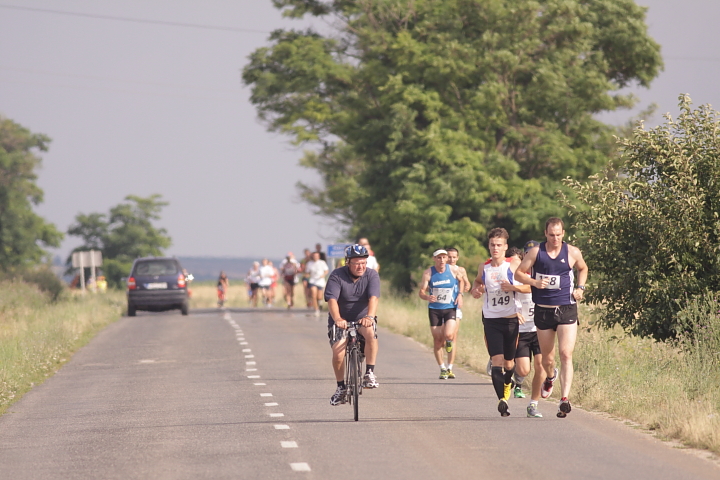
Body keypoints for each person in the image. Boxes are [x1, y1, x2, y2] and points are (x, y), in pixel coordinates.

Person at [514, 218, 589, 418]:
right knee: (548, 359)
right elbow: (518, 274)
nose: (555, 238)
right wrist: (534, 282)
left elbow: (583, 268)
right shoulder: (536, 252)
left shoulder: (572, 252)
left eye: (558, 234)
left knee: (566, 354)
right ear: (545, 234)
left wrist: (580, 288)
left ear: (563, 233)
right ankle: (550, 376)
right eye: (551, 234)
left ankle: (564, 400)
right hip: (543, 311)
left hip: (566, 308)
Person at [471, 228, 524, 417]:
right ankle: (502, 401)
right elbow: (476, 283)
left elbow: (528, 286)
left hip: (511, 320)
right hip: (491, 320)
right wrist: (476, 290)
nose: (495, 248)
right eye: (492, 245)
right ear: (489, 246)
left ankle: (508, 382)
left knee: (509, 364)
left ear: (505, 247)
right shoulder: (483, 267)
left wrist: (513, 287)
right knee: (497, 361)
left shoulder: (514, 264)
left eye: (499, 245)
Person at [325, 244, 381, 405]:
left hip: (363, 318)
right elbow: (332, 300)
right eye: (356, 263)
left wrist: (369, 316)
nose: (360, 266)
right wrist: (337, 319)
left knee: (370, 332)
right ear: (347, 262)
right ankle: (341, 387)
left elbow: (374, 298)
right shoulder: (337, 275)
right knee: (338, 354)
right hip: (341, 319)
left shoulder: (371, 275)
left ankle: (369, 373)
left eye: (363, 262)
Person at [509, 242, 546, 418]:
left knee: (542, 366)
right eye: (527, 252)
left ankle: (533, 404)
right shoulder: (518, 274)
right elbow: (511, 292)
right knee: (524, 370)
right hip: (522, 330)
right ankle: (516, 378)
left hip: (540, 329)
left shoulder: (545, 273)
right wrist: (514, 312)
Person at [419, 249, 461, 380]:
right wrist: (427, 297)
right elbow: (421, 291)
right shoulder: (428, 273)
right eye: (439, 258)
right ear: (434, 259)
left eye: (444, 257)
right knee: (437, 341)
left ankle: (449, 342)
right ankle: (442, 368)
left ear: (447, 258)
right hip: (435, 309)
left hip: (450, 308)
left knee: (449, 334)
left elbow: (462, 281)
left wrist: (460, 295)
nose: (442, 260)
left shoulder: (453, 270)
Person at [446, 247, 471, 360]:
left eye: (454, 257)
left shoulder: (461, 270)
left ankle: (450, 366)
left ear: (457, 258)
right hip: (441, 306)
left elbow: (468, 284)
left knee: (453, 335)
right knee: (444, 335)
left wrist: (464, 287)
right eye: (449, 257)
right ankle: (446, 341)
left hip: (455, 306)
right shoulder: (441, 270)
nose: (452, 259)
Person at [305, 251, 329, 315]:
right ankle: (316, 309)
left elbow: (326, 270)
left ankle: (320, 302)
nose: (315, 257)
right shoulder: (309, 263)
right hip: (313, 281)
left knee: (319, 296)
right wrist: (307, 276)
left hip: (320, 281)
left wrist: (323, 275)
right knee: (313, 294)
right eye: (314, 256)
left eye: (316, 256)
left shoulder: (322, 263)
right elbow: (307, 272)